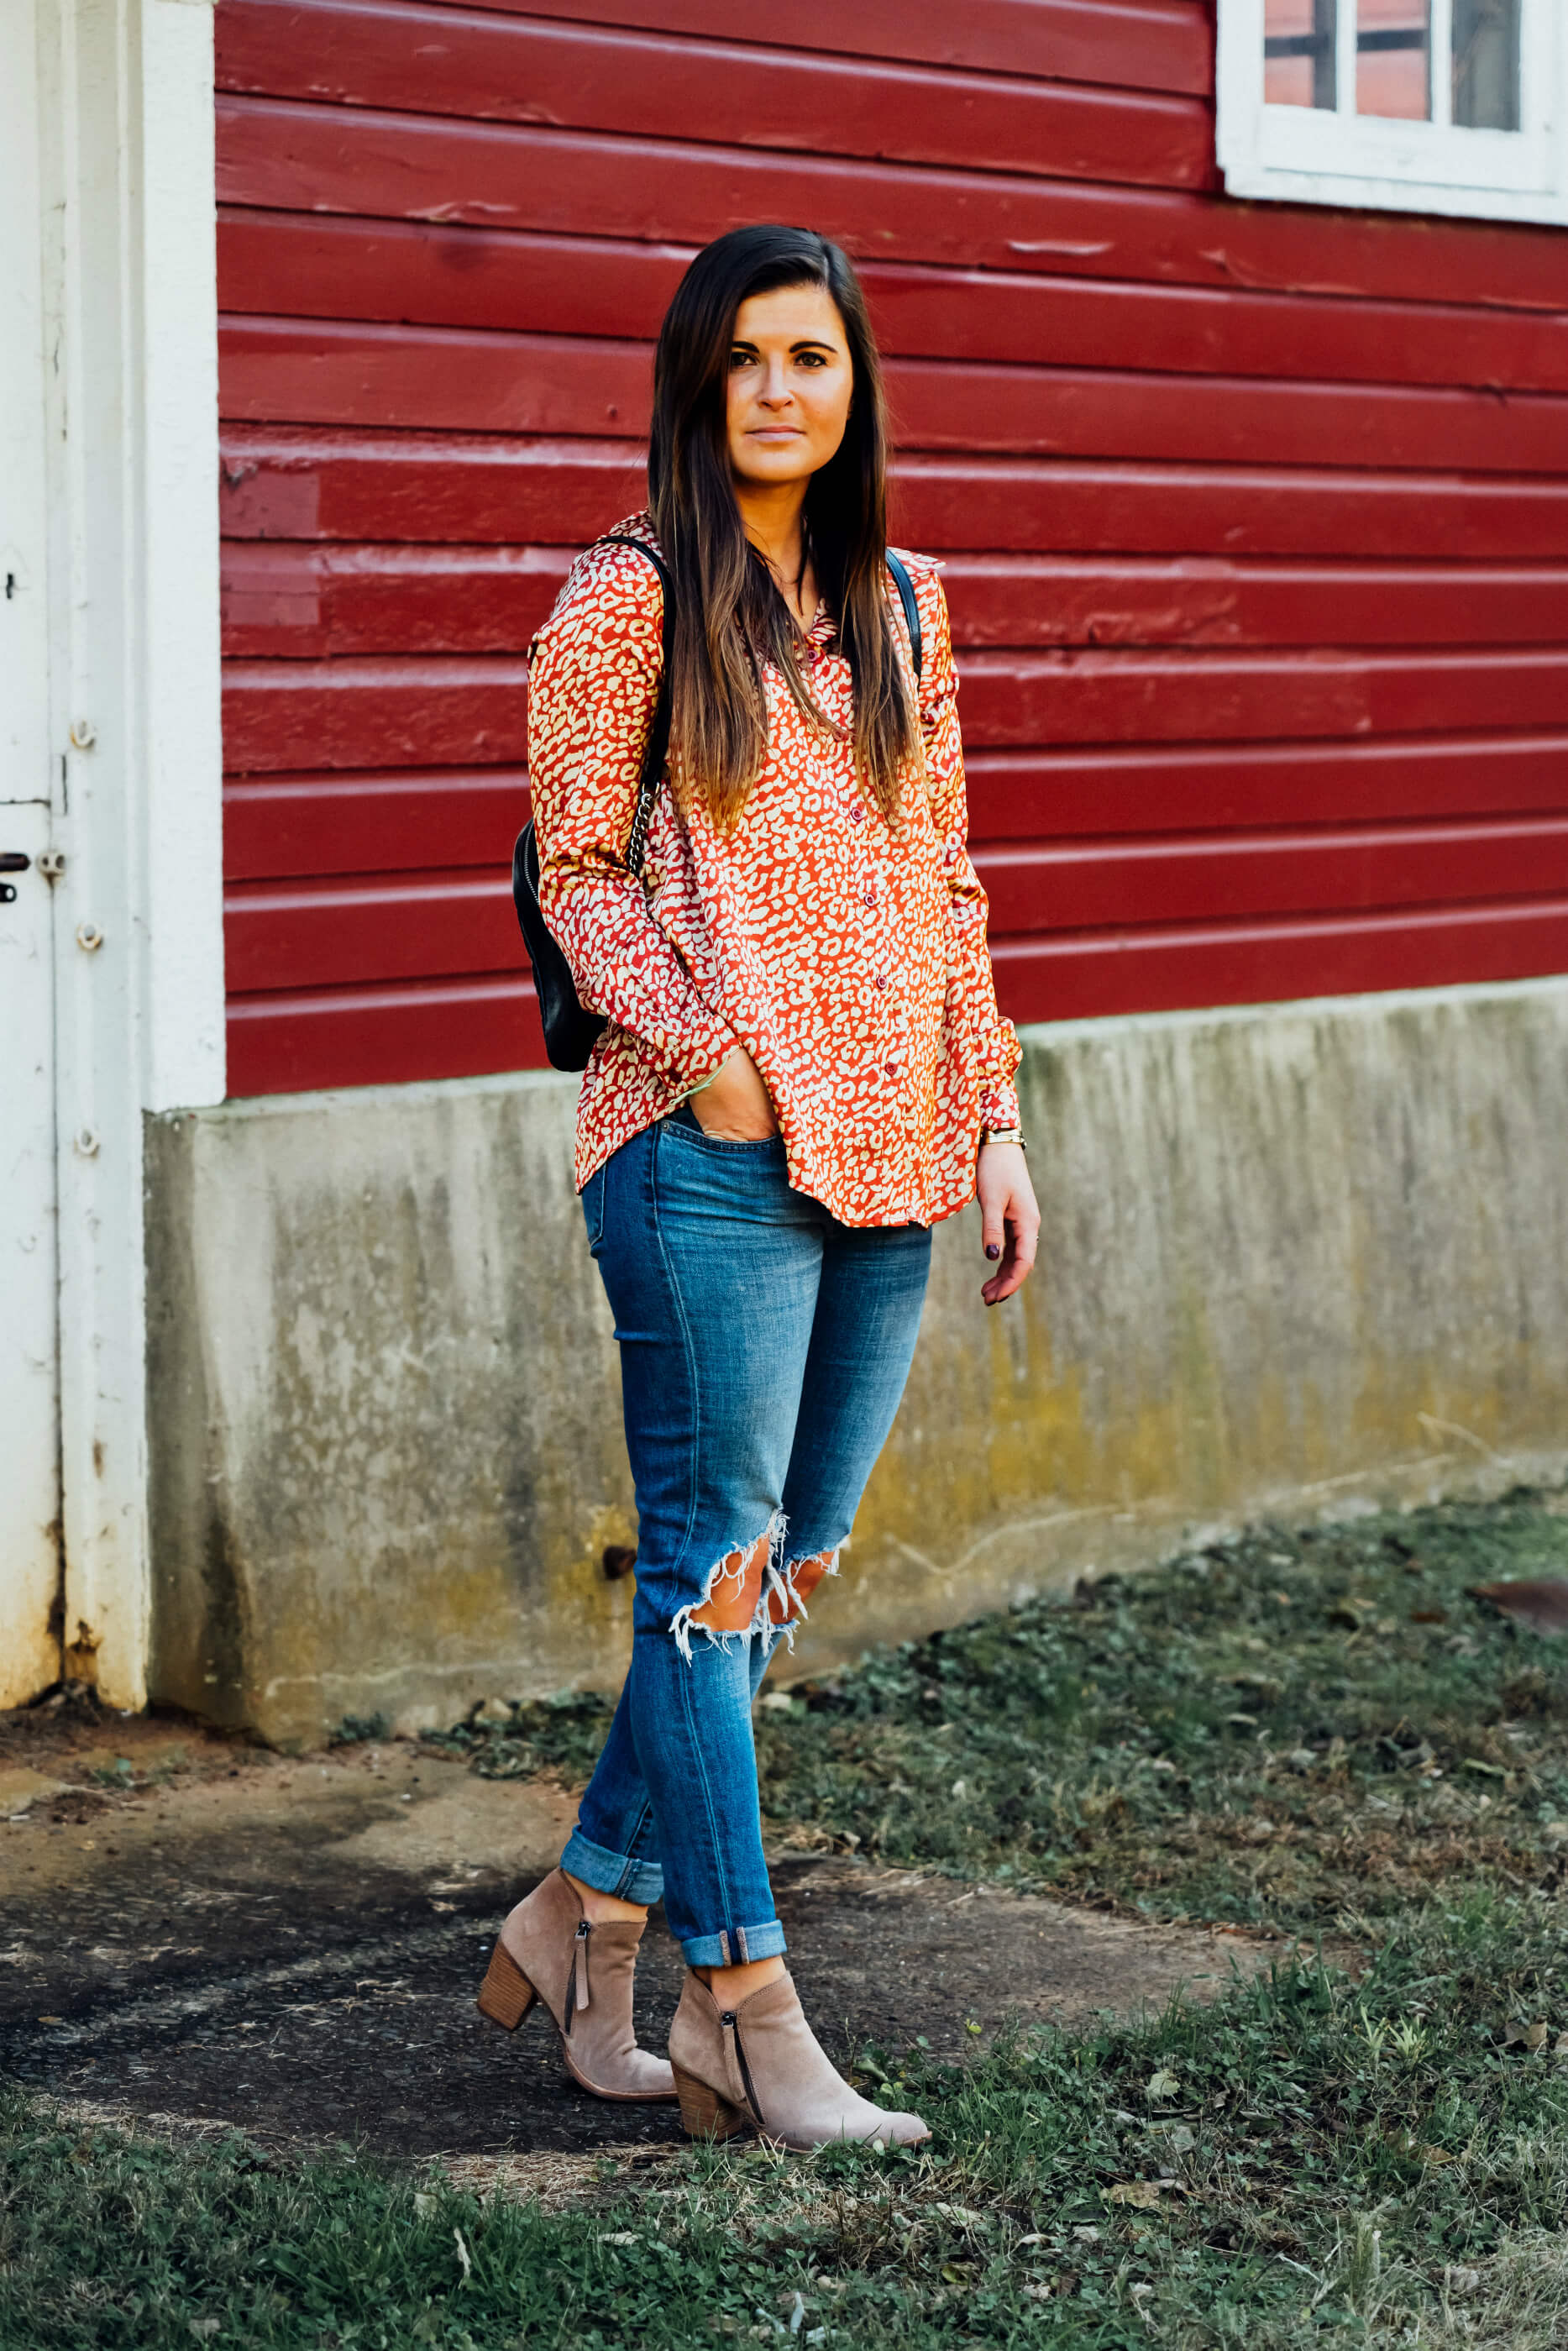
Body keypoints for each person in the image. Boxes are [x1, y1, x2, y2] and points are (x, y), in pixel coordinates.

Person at [476, 224, 1039, 2152]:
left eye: (814, 357)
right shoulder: (625, 599)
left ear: (855, 381)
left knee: (775, 1569)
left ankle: (579, 1919)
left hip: (893, 1146)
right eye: (747, 362)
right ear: (698, 386)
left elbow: (944, 881)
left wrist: (995, 1117)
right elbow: (577, 872)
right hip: (705, 1150)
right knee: (711, 1564)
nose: (783, 391)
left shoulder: (906, 605)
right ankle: (744, 1999)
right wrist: (706, 1053)